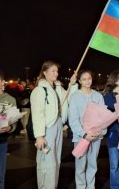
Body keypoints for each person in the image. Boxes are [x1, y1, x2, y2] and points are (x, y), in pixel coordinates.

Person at [30, 61, 77, 189]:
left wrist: (72, 84)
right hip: (47, 128)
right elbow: (37, 114)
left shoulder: (58, 88)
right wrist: (39, 135)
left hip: (58, 126)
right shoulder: (40, 90)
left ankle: (52, 186)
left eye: (57, 71)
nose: (56, 73)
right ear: (44, 72)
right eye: (53, 71)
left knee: (56, 160)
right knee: (46, 161)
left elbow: (69, 99)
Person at [68, 70, 105, 189]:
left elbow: (103, 116)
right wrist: (84, 134)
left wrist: (100, 131)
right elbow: (73, 119)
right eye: (84, 79)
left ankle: (90, 186)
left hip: (95, 136)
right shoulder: (75, 97)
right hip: (81, 138)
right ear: (79, 81)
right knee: (80, 166)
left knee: (92, 164)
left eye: (89, 78)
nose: (87, 81)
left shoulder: (98, 96)